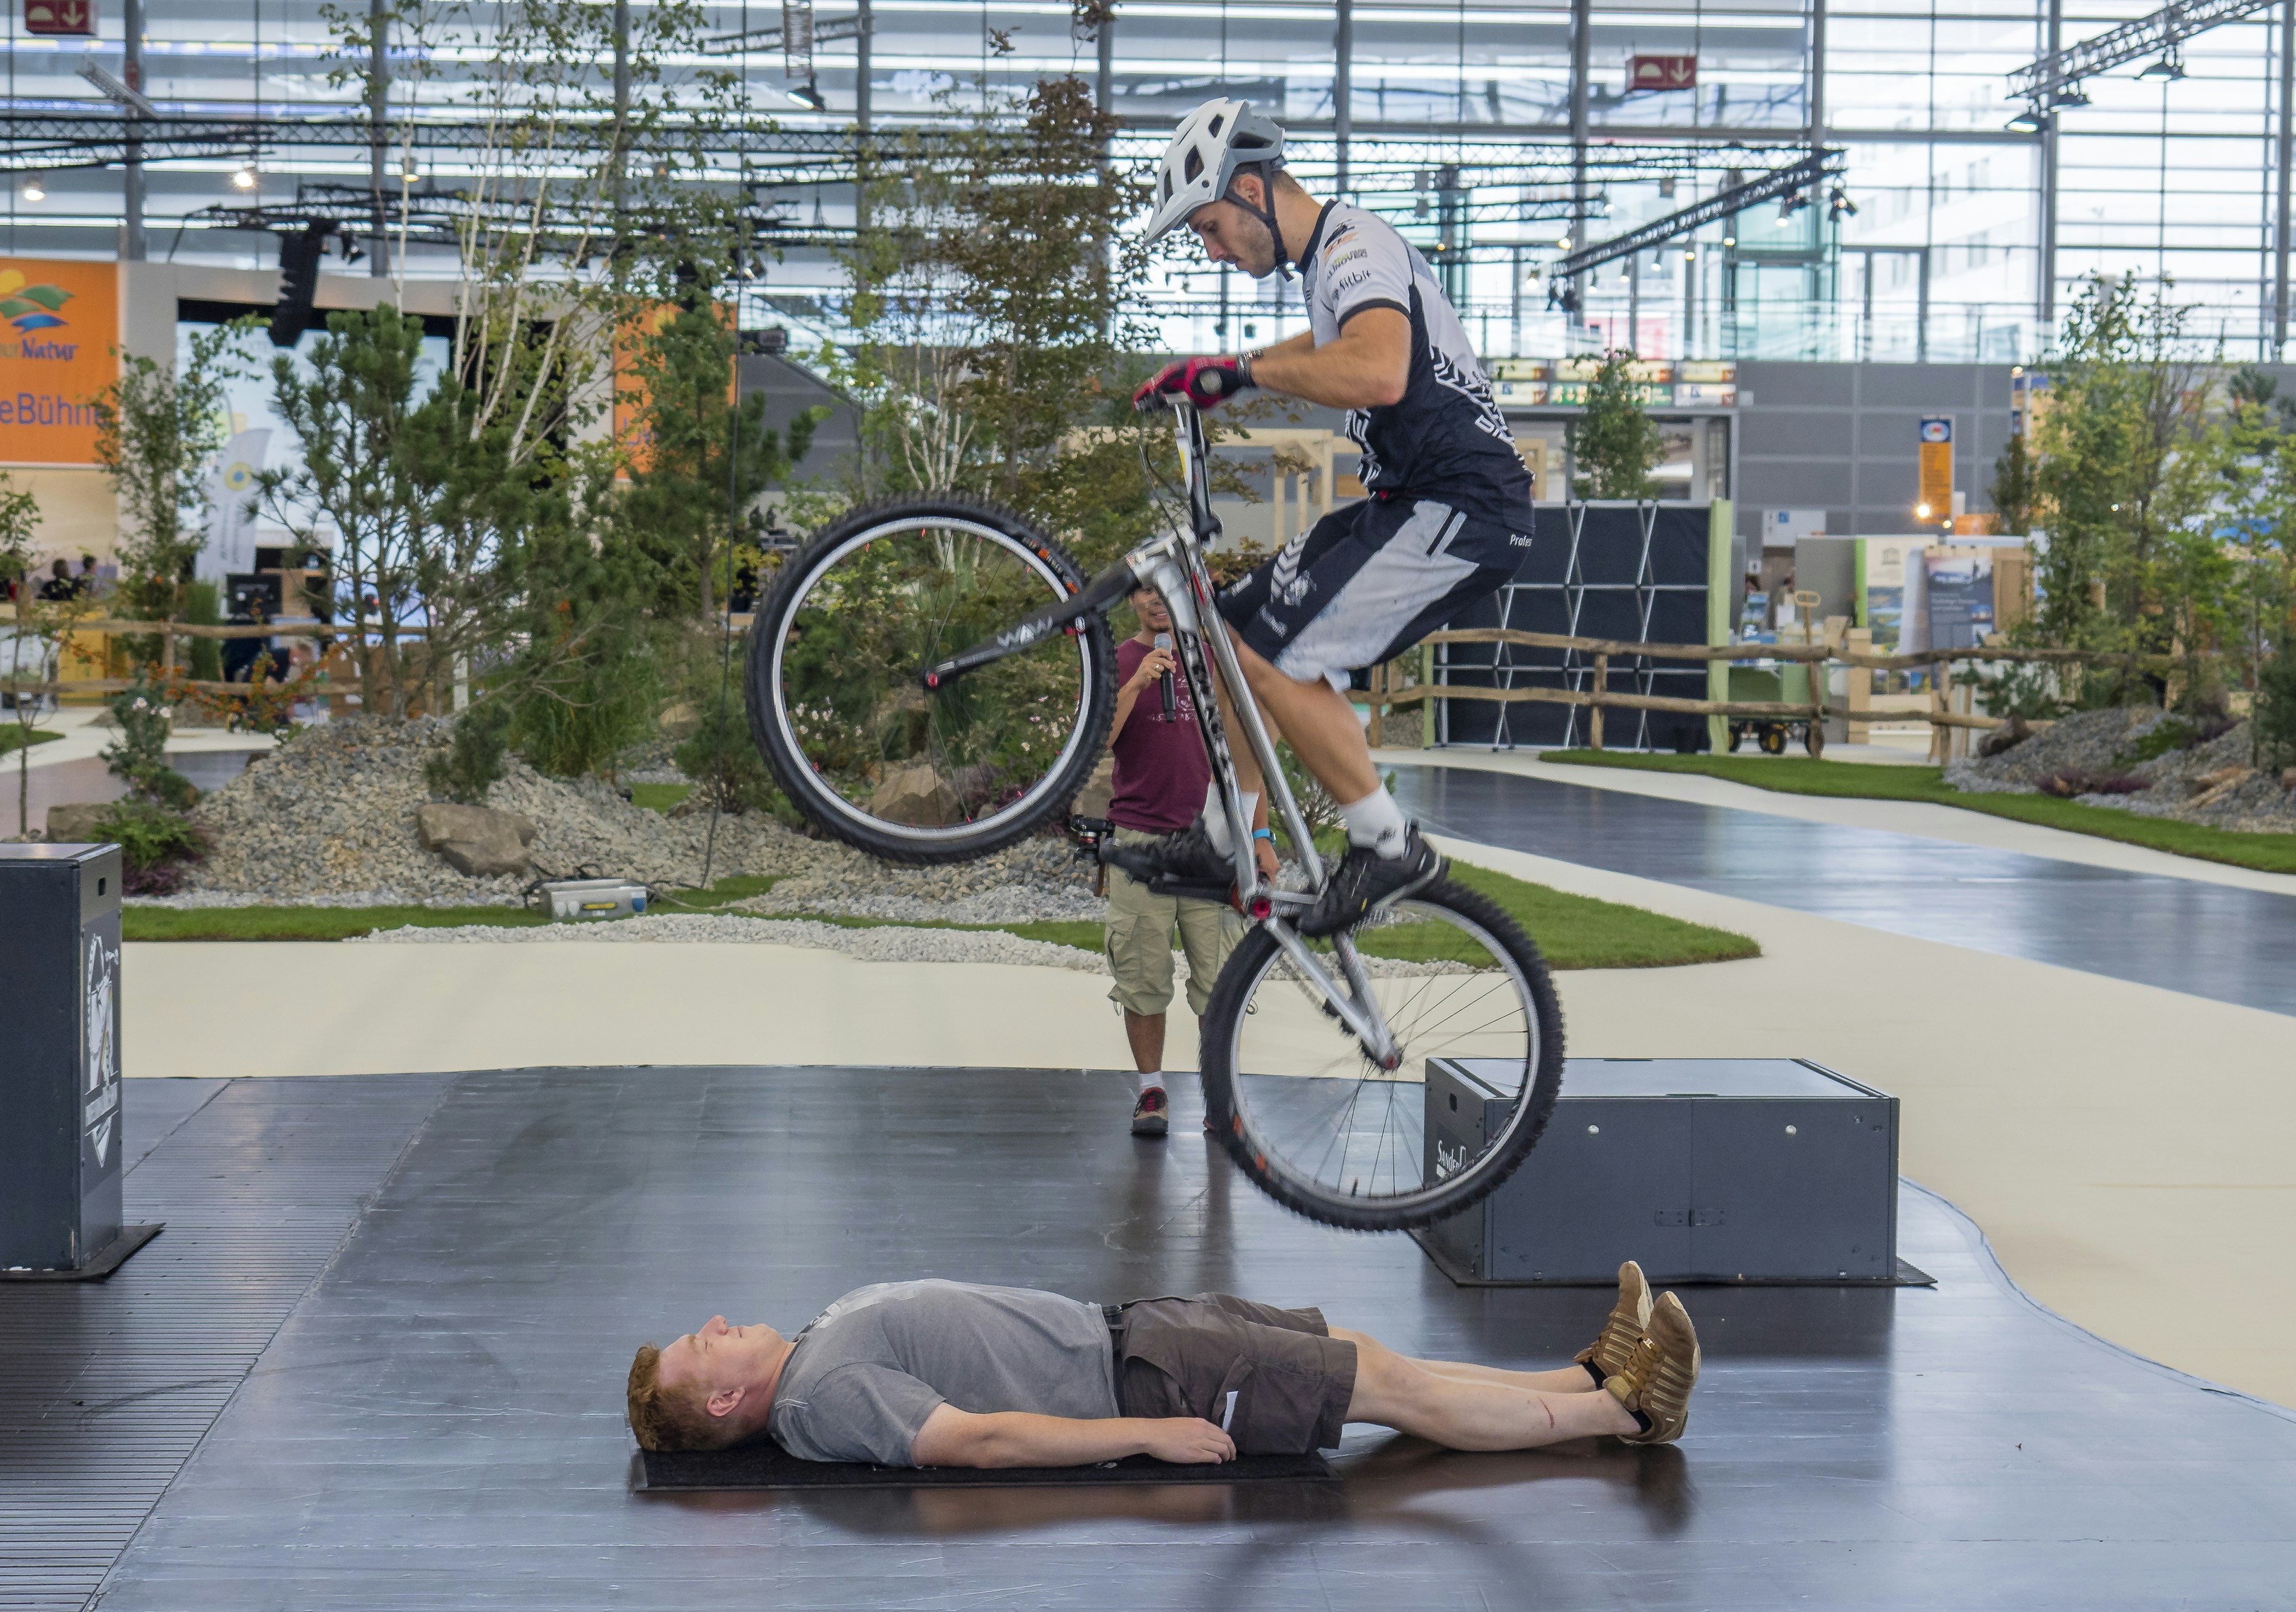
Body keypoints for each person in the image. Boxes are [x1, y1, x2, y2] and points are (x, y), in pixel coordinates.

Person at [1110, 97, 1535, 940]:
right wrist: (1223, 370)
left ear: (1249, 189)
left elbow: (1377, 369)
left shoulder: (1352, 246)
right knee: (1234, 634)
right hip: (1405, 500)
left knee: (1281, 657)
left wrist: (1242, 376)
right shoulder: (1331, 262)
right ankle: (1224, 832)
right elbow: (1325, 346)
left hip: (1462, 506)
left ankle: (1387, 843)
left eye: (1208, 228)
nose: (1212, 250)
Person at [624, 1261, 1698, 1465]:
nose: (713, 1321)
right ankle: (1628, 1413)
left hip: (1133, 1328)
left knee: (1360, 1354)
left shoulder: (813, 1349)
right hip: (1143, 1378)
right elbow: (972, 1440)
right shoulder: (821, 1398)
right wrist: (1142, 1433)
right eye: (701, 1345)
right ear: (723, 1400)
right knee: (1386, 1390)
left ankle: (1585, 1375)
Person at [1106, 583, 1278, 1139]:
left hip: (1213, 844)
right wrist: (1136, 683)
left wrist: (1261, 835)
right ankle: (1151, 1090)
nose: (1156, 599)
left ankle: (1219, 1098)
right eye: (1144, 591)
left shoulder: (1213, 661)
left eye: (1165, 589)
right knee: (1142, 977)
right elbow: (1098, 741)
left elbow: (1246, 755)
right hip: (1141, 845)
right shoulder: (1116, 662)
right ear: (1131, 602)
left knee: (1220, 982)